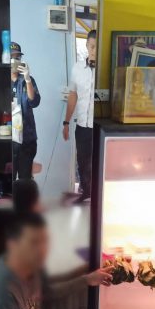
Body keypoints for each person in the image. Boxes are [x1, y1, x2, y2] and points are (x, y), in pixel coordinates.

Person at [63, 30, 97, 203]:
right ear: (87, 45)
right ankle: (86, 192)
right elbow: (73, 95)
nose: (94, 50)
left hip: (99, 126)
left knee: (98, 162)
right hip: (82, 125)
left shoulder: (104, 70)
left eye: (97, 47)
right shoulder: (77, 68)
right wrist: (66, 122)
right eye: (92, 46)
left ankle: (98, 195)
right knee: (83, 161)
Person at [11, 42, 41, 180]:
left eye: (17, 58)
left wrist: (28, 79)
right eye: (11, 57)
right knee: (8, 181)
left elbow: (34, 102)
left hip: (27, 139)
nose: (14, 61)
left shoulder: (27, 80)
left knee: (25, 180)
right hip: (8, 140)